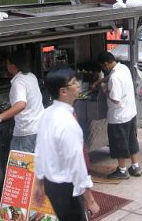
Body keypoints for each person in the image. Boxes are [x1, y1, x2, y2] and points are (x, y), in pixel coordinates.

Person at [33, 68, 100, 220]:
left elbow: (40, 151)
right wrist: (90, 199)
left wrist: (39, 182)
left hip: (52, 185)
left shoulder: (46, 114)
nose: (78, 85)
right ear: (63, 91)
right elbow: (76, 163)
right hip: (67, 187)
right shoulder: (67, 122)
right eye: (74, 82)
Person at [0, 50, 44, 153]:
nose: (6, 66)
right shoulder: (31, 76)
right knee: (35, 166)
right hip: (39, 128)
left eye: (7, 63)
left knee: (20, 168)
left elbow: (20, 105)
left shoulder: (18, 82)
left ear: (13, 66)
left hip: (26, 133)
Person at [96, 51, 142, 179]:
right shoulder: (123, 68)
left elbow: (115, 99)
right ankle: (135, 166)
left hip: (119, 117)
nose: (103, 69)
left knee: (119, 143)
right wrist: (98, 82)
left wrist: (105, 90)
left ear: (106, 64)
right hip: (130, 112)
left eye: (102, 67)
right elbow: (109, 77)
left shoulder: (115, 78)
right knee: (131, 140)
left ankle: (122, 171)